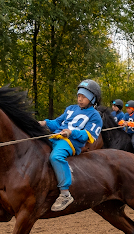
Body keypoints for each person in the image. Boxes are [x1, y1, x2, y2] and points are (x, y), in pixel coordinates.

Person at [40, 80, 104, 211]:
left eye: (84, 97)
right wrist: (44, 123)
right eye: (79, 96)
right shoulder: (70, 109)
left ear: (92, 99)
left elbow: (88, 135)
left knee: (56, 157)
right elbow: (57, 123)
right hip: (56, 137)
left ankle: (65, 193)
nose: (80, 99)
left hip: (71, 143)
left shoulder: (95, 116)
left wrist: (71, 132)